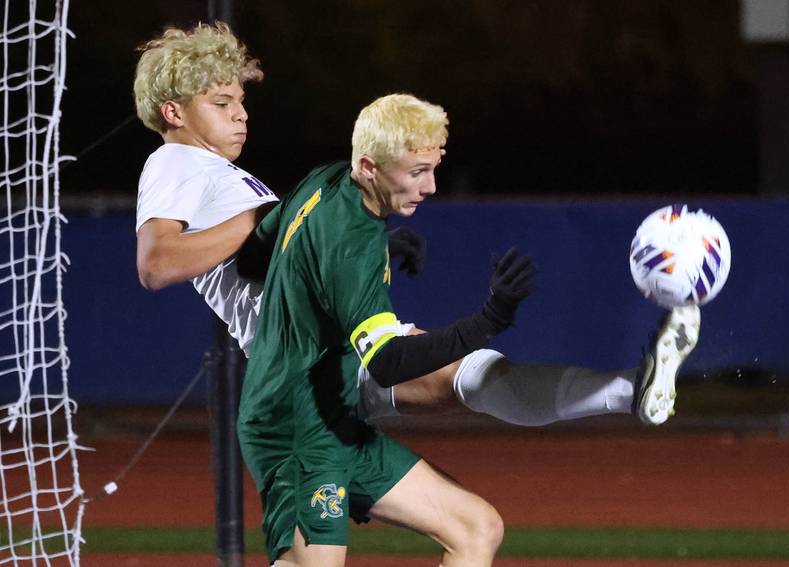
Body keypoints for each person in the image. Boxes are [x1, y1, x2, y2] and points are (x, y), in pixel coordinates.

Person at [133, 22, 701, 436]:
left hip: (321, 347)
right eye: (221, 102)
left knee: (472, 458)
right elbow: (157, 263)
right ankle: (629, 389)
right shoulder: (176, 162)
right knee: (469, 385)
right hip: (307, 360)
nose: (241, 113)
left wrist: (360, 238)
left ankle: (631, 390)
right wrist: (272, 219)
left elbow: (284, 251)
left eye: (240, 100)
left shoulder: (217, 174)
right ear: (176, 115)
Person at [237, 92, 534, 566]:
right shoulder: (353, 244)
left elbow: (255, 256)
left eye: (433, 168)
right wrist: (490, 320)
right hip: (291, 427)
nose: (431, 185)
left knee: (476, 528)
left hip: (330, 419)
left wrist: (377, 250)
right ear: (371, 166)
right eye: (417, 172)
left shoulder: (326, 178)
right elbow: (390, 363)